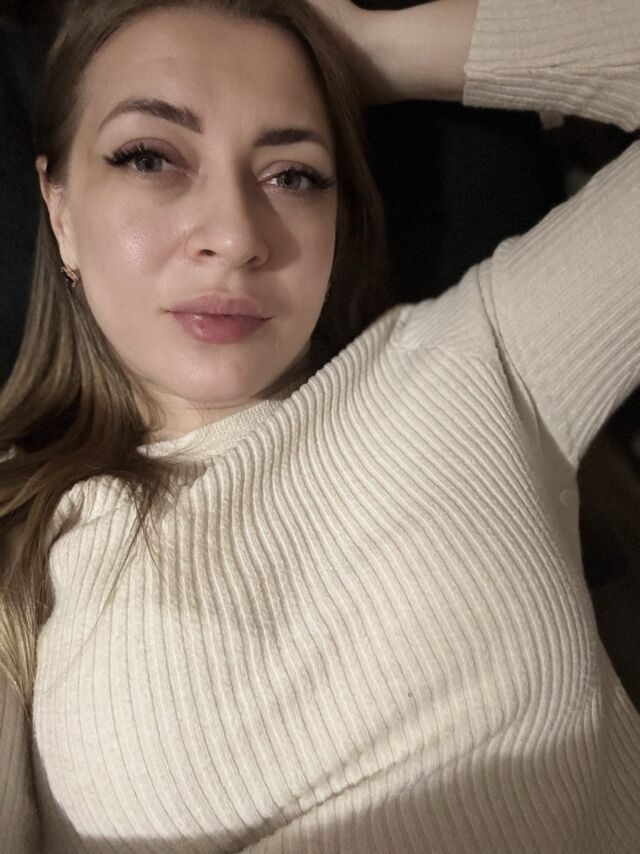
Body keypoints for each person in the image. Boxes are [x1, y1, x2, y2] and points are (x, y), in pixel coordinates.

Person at [0, 0, 638, 851]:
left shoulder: (480, 360)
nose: (235, 236)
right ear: (60, 211)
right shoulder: (18, 527)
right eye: (151, 157)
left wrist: (369, 48)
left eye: (293, 174)